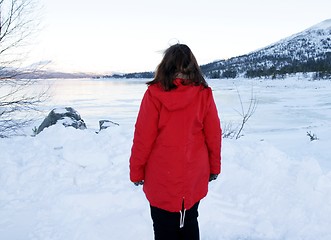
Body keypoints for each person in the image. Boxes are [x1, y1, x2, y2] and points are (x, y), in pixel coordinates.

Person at [129, 43, 222, 240]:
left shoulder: (154, 94)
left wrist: (136, 171)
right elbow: (213, 136)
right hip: (193, 176)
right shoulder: (203, 94)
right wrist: (214, 168)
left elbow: (143, 138)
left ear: (166, 65)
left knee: (163, 227)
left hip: (161, 177)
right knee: (189, 221)